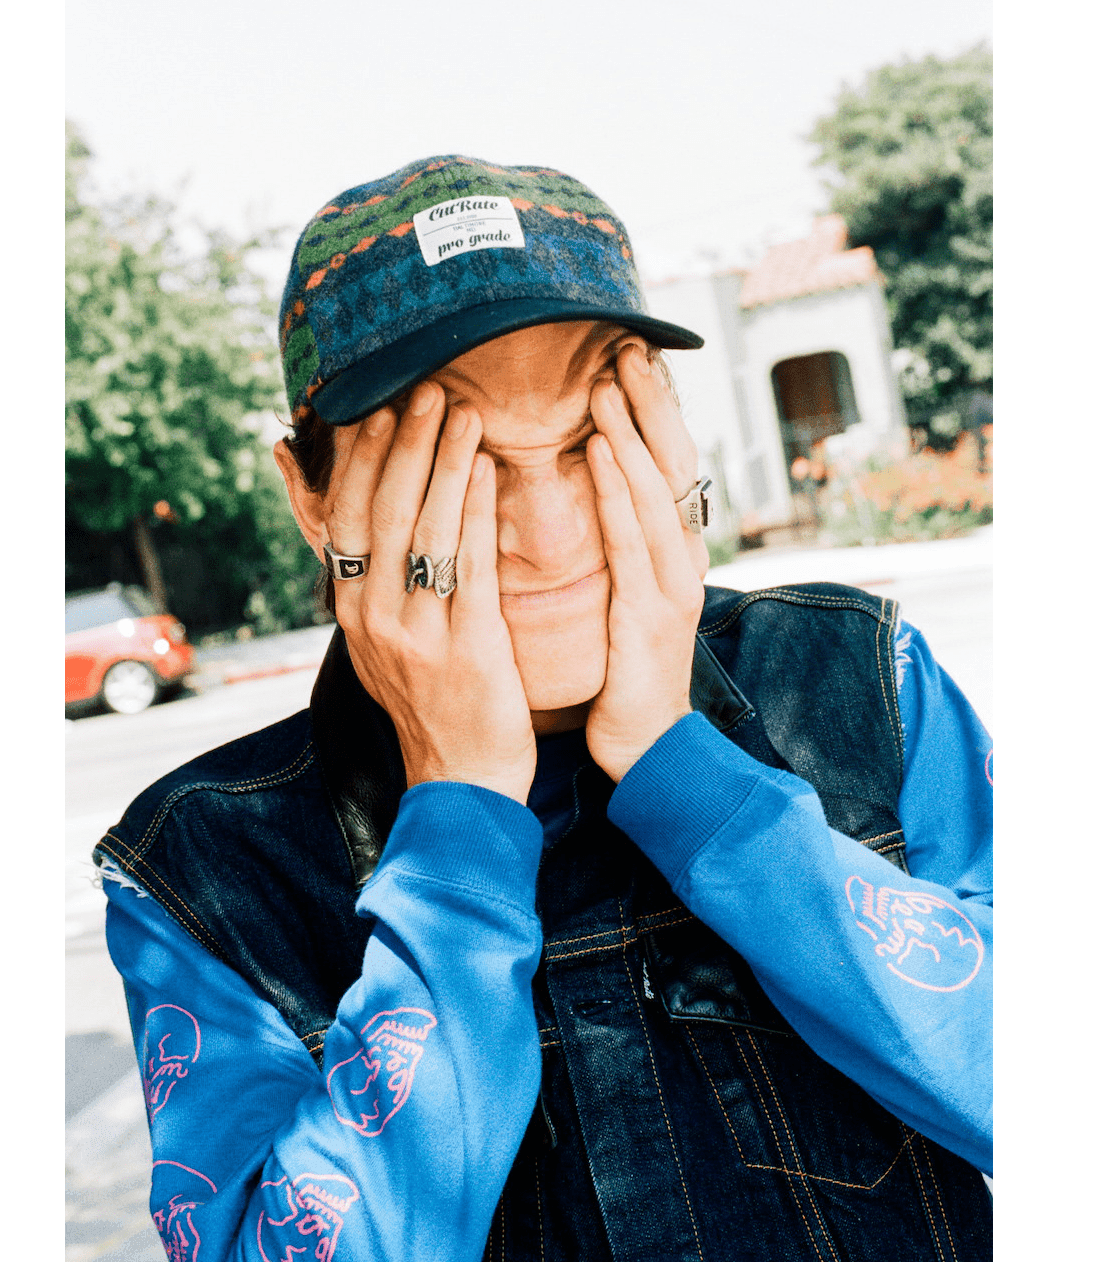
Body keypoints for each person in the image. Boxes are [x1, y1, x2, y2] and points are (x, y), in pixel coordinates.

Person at [96, 153, 993, 1262]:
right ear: (313, 498)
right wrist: (459, 816)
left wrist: (683, 766)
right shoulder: (205, 868)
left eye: (586, 447)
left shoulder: (857, 678)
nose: (552, 534)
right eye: (461, 466)